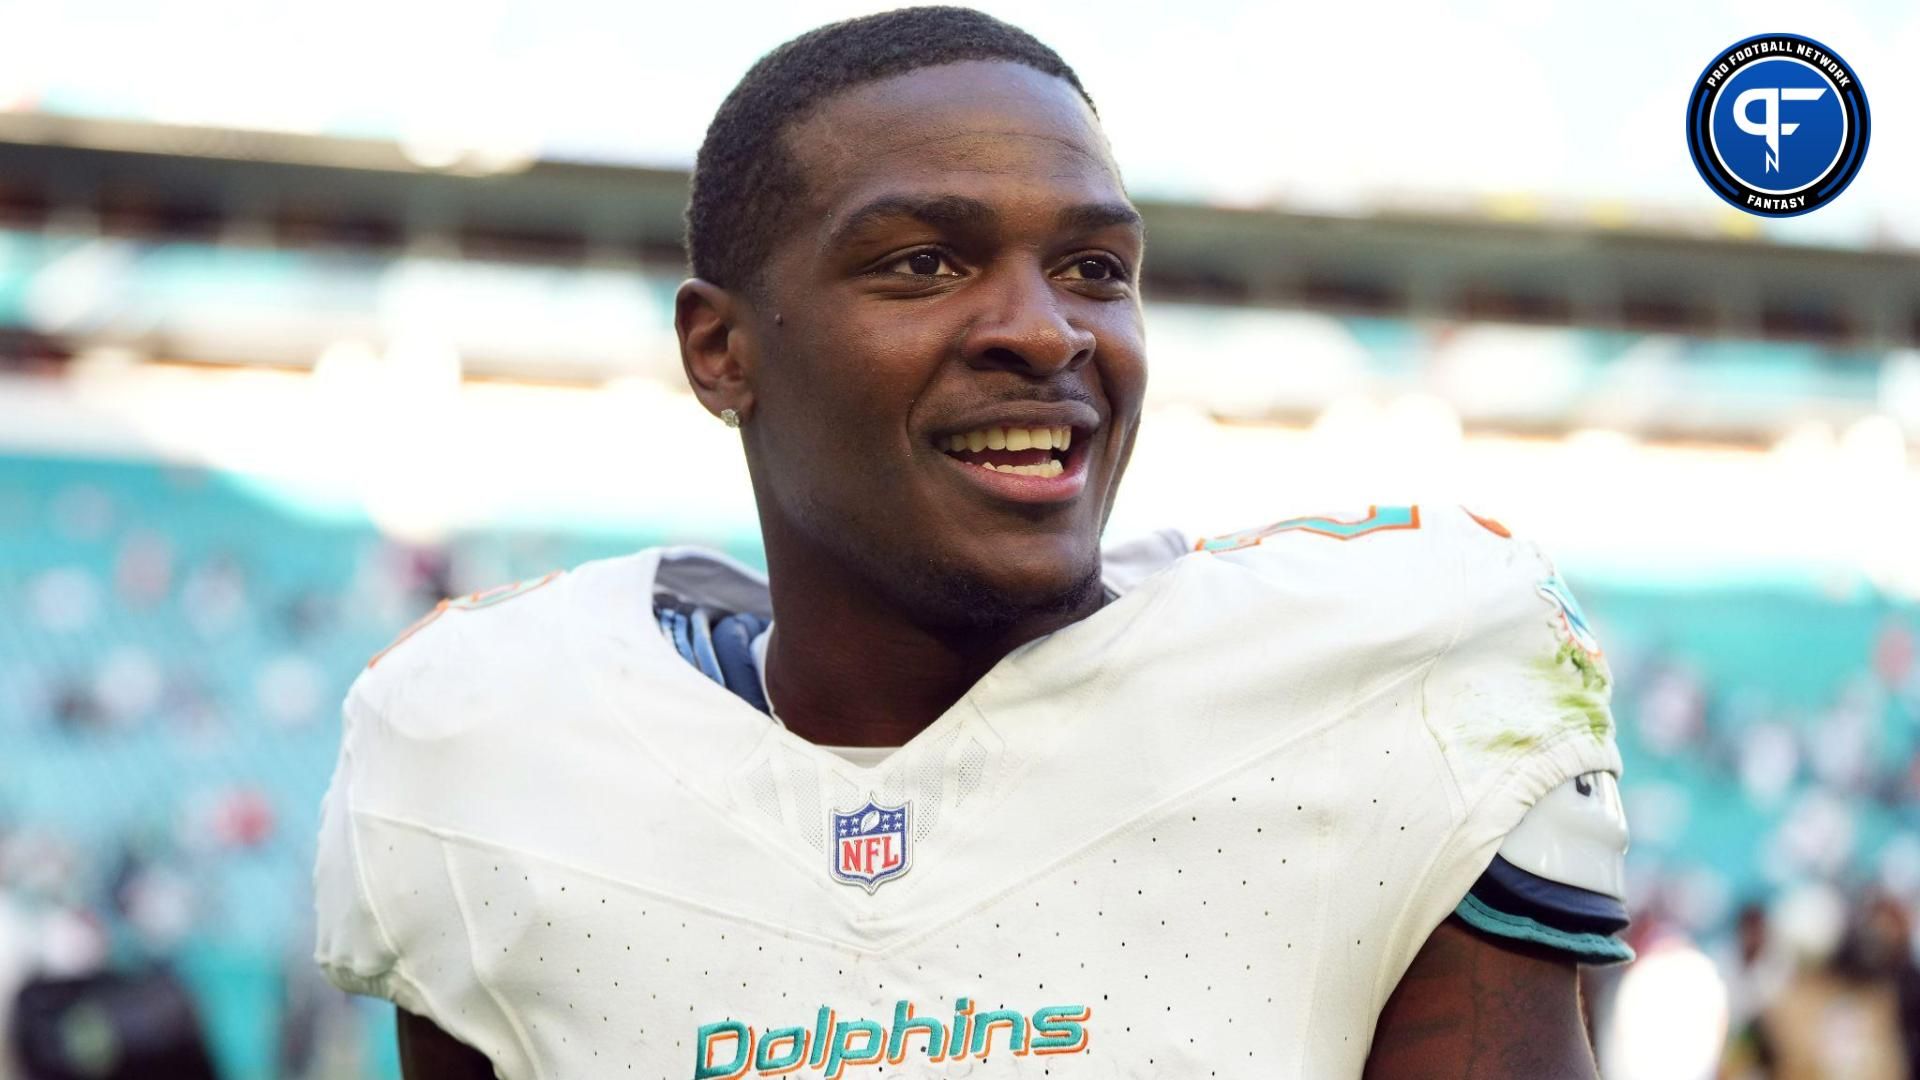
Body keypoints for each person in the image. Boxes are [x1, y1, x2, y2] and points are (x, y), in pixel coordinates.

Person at [312, 7, 1633, 1077]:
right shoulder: (485, 742)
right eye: (924, 264)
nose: (1046, 331)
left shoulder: (1403, 677)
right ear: (721, 351)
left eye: (1096, 270)